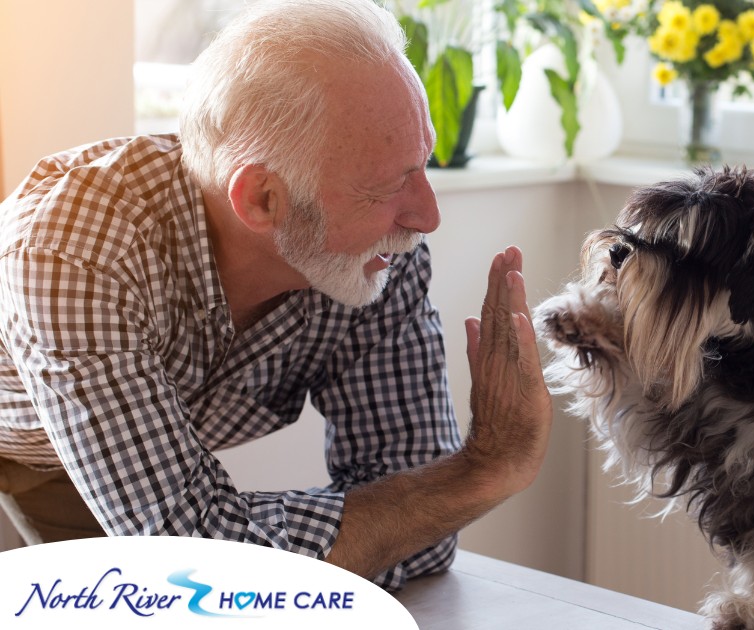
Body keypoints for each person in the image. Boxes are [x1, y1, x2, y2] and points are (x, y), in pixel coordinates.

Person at [0, 0, 553, 590]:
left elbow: (423, 533)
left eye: (421, 165)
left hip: (134, 455)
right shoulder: (75, 251)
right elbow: (199, 567)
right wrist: (487, 468)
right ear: (263, 200)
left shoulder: (375, 254)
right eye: (388, 185)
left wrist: (243, 536)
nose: (427, 217)